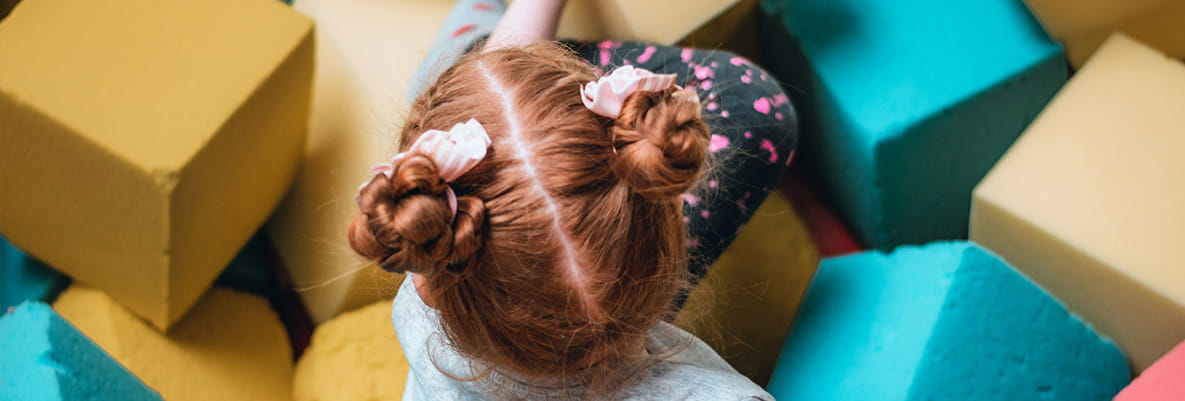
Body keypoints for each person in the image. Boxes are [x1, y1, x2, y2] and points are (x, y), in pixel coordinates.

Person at [349, 0, 797, 399]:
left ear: (424, 276)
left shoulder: (427, 289)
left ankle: (481, 40)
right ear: (675, 228)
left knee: (481, 82)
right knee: (755, 105)